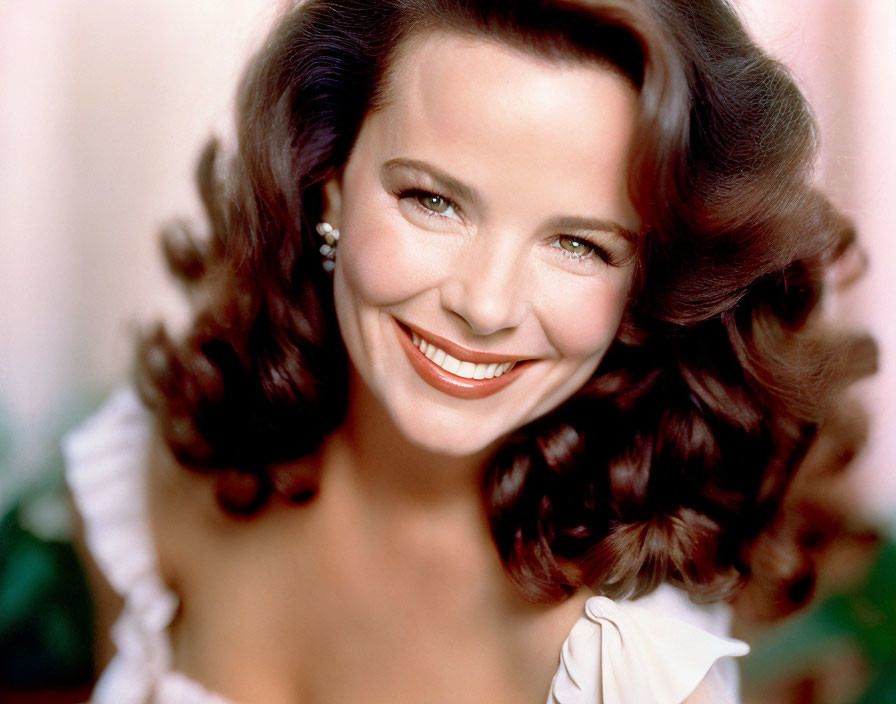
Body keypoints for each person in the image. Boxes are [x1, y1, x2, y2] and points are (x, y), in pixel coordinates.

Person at [64, 0, 875, 702]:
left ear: (648, 283)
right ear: (328, 179)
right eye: (433, 199)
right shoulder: (153, 477)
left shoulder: (626, 672)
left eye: (580, 245)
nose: (484, 306)